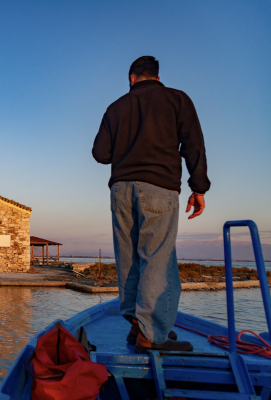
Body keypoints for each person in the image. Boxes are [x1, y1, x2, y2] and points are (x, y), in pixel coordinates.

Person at [92, 56, 210, 353]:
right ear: (157, 77)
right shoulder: (177, 99)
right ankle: (151, 335)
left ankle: (137, 325)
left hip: (120, 189)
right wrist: (198, 187)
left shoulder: (115, 107)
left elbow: (100, 154)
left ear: (131, 79)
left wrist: (127, 146)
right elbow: (193, 143)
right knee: (157, 259)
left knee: (129, 258)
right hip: (159, 186)